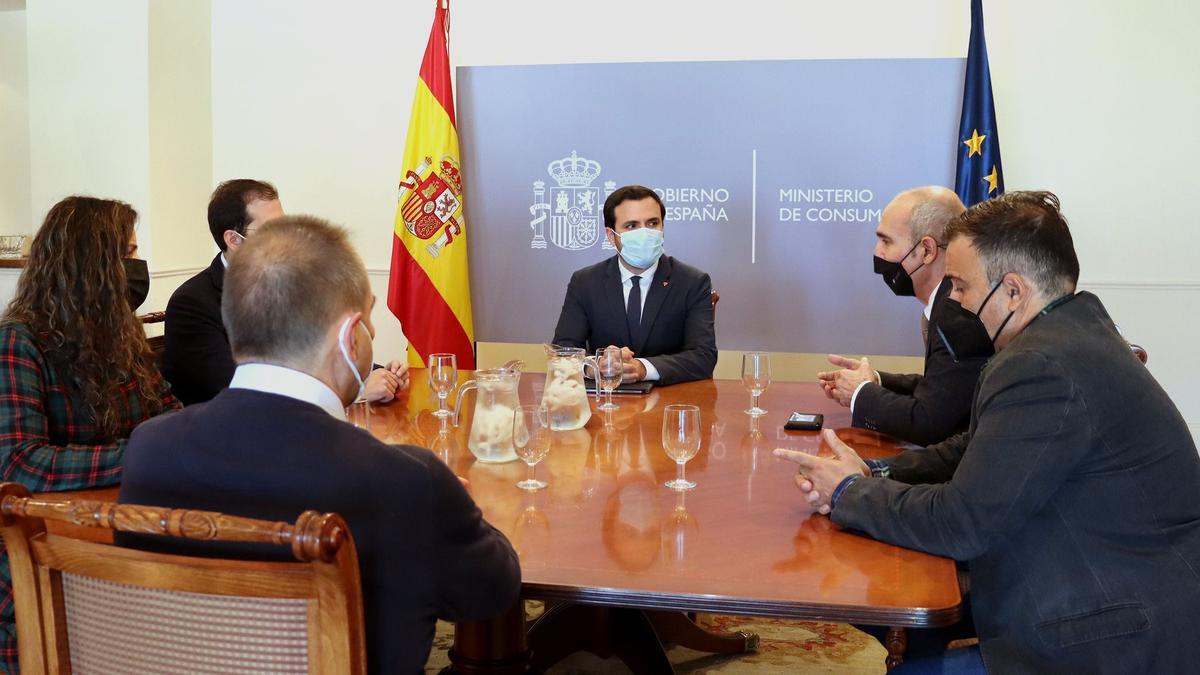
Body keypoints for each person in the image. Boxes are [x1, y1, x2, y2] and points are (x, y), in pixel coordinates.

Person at [776, 191, 1200, 673]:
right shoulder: (1073, 331)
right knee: (894, 606)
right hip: (1096, 579)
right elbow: (974, 447)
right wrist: (874, 471)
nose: (955, 299)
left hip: (1108, 626)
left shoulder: (1041, 364)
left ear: (1013, 291)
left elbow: (961, 523)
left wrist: (849, 492)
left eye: (961, 284)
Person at [118, 215, 520, 673]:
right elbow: (492, 592)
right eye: (369, 319)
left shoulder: (150, 449)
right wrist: (461, 509)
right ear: (351, 337)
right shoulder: (406, 480)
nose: (371, 334)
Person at [0, 196, 180, 672]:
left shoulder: (121, 335)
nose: (138, 267)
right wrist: (142, 454)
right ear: (91, 264)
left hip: (116, 532)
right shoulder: (18, 341)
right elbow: (20, 463)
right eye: (129, 253)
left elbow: (169, 413)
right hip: (39, 554)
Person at [162, 179, 408, 405]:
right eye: (273, 229)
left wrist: (377, 373)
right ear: (234, 239)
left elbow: (321, 349)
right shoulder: (191, 304)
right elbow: (237, 386)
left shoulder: (291, 283)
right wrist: (355, 391)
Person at [817, 187, 987, 446]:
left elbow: (928, 422)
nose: (877, 252)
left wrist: (860, 393)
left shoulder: (957, 312)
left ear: (927, 250)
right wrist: (876, 380)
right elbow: (944, 389)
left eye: (886, 241)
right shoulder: (946, 301)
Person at [552, 185, 716, 386]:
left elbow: (703, 356)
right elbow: (562, 352)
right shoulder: (585, 282)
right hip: (605, 398)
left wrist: (643, 368)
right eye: (631, 226)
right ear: (611, 235)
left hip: (669, 399)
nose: (644, 233)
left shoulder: (692, 282)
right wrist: (596, 366)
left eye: (652, 223)